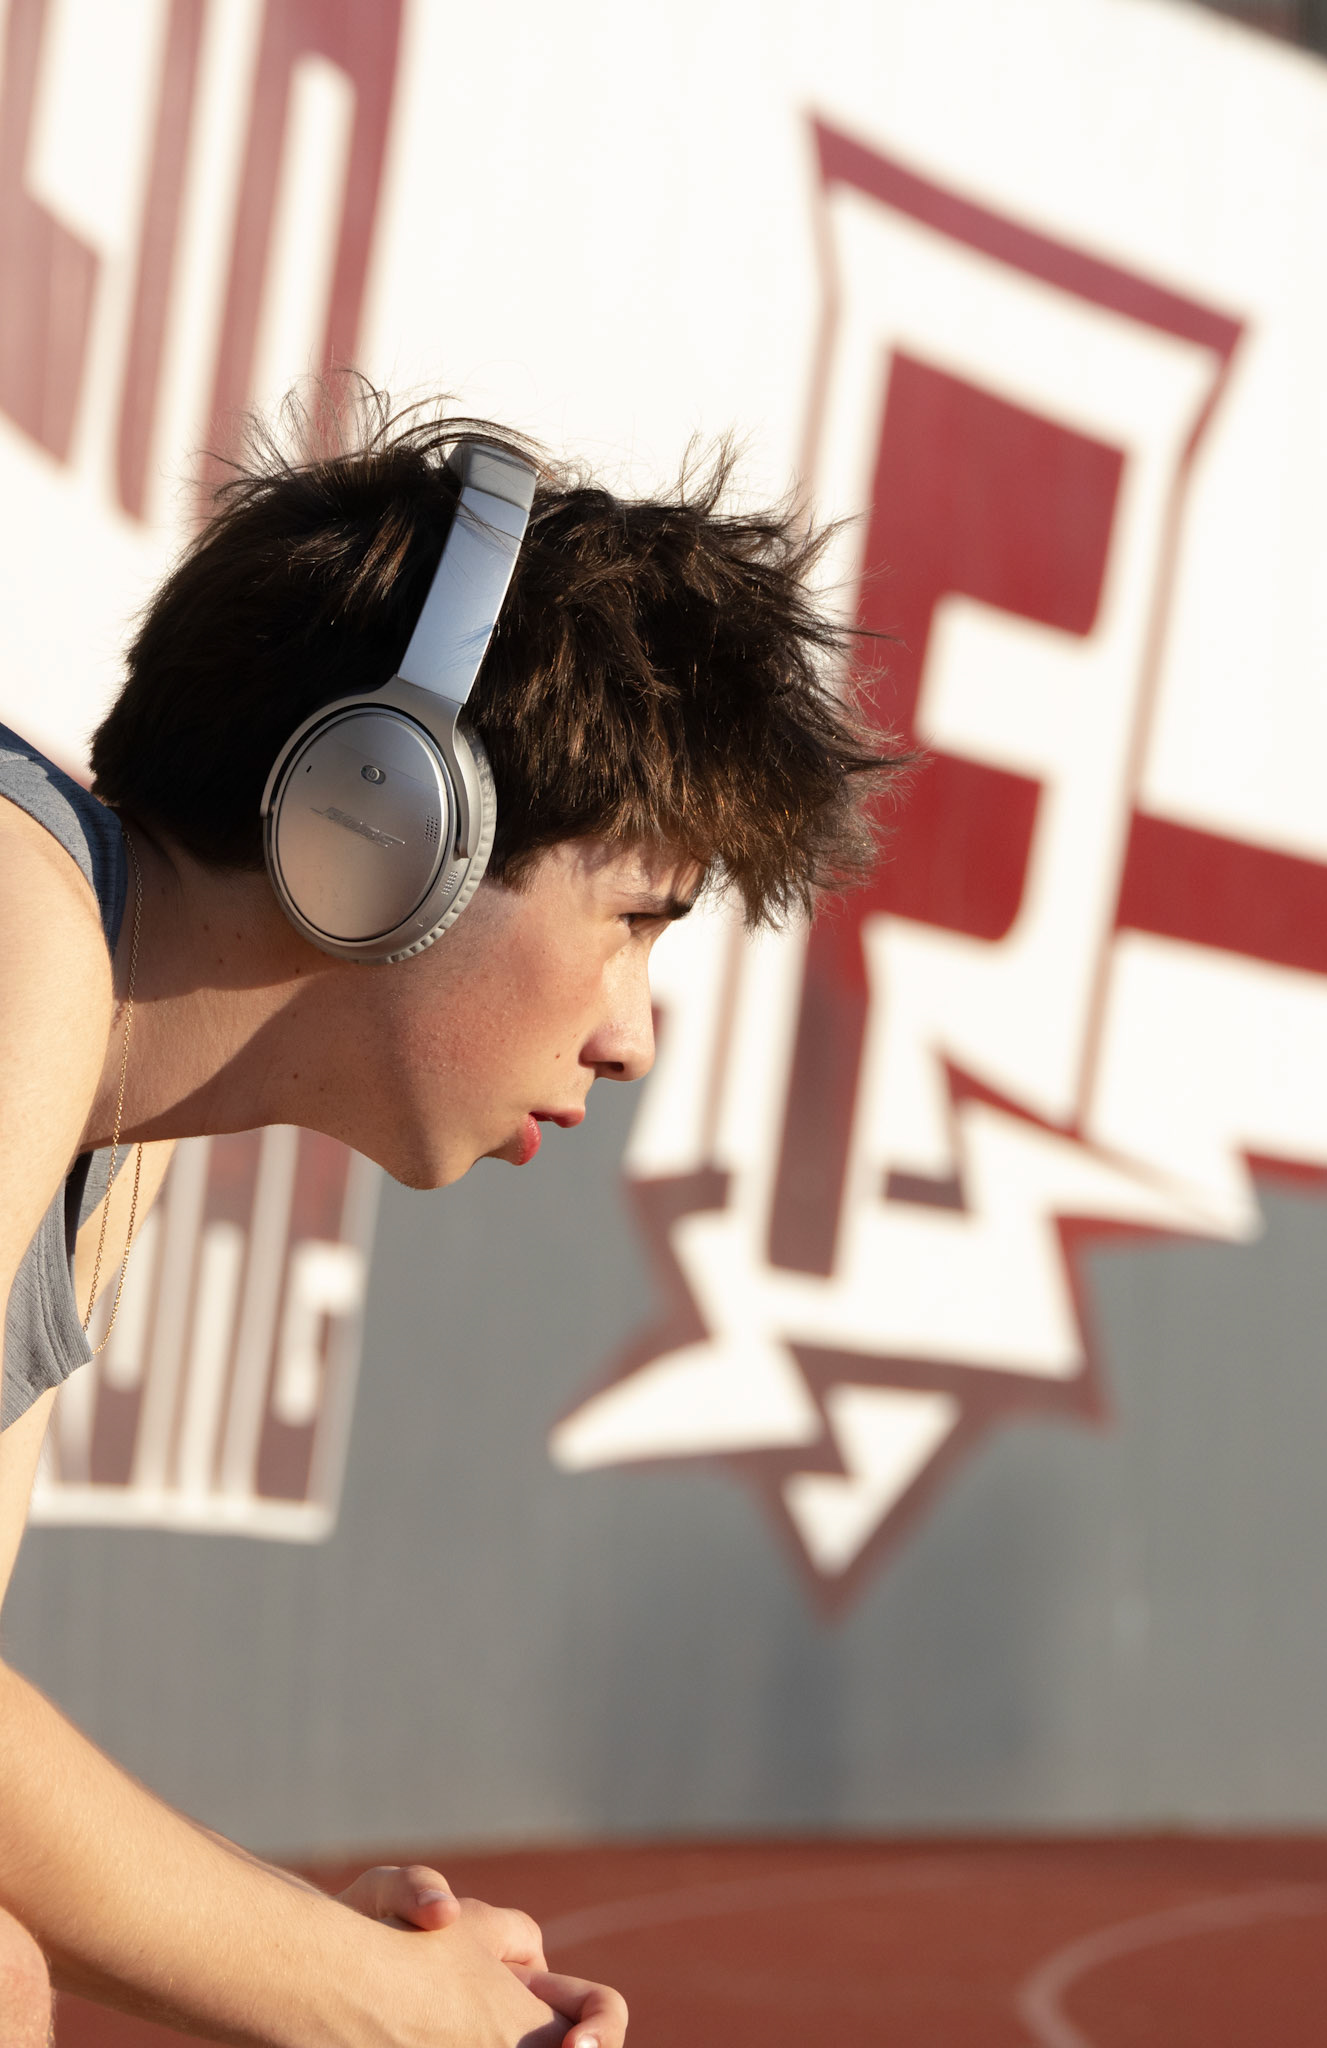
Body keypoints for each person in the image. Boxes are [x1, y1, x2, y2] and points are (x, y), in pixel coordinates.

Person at [0, 389, 894, 2046]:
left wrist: (348, 1967)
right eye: (633, 921)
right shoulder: (18, 934)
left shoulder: (108, 1102)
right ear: (385, 819)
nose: (632, 1036)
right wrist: (353, 1997)